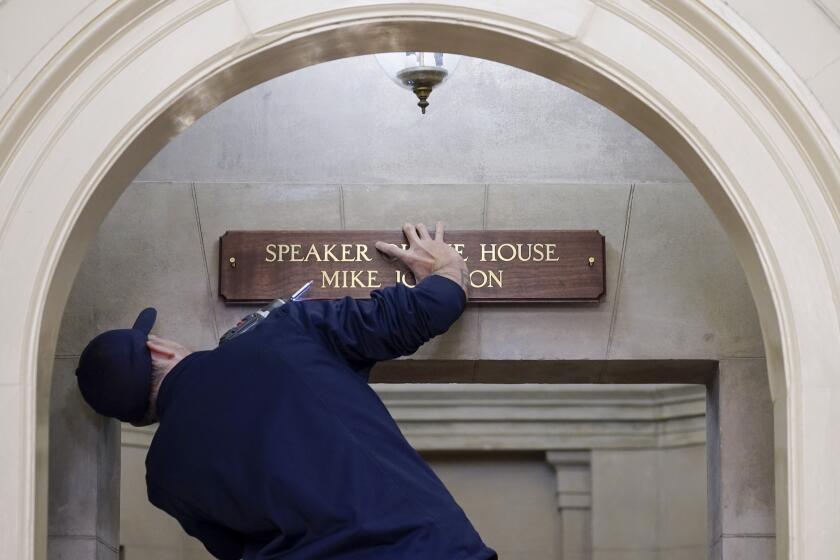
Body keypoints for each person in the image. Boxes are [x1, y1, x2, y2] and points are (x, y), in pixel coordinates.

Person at [76, 222, 497, 560]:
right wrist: (447, 271)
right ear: (159, 348)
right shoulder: (282, 332)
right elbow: (423, 312)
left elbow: (238, 549)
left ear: (135, 417)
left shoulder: (163, 480)